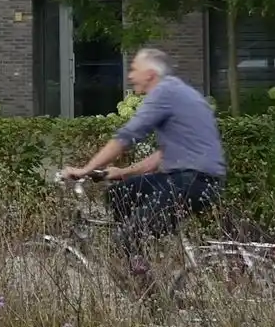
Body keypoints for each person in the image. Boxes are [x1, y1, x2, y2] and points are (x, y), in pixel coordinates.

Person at [60, 47, 225, 254]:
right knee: (120, 193)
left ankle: (145, 283)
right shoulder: (183, 92)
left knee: (125, 238)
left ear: (150, 74)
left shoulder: (163, 93)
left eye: (134, 69)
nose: (130, 75)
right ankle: (139, 252)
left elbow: (127, 136)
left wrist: (85, 170)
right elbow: (163, 154)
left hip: (188, 181)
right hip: (200, 181)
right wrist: (123, 172)